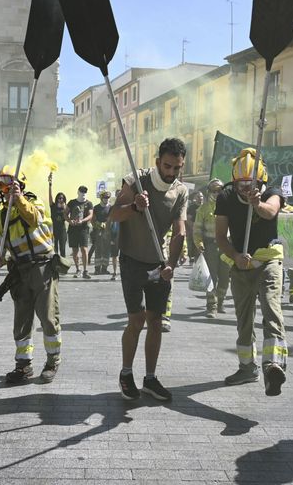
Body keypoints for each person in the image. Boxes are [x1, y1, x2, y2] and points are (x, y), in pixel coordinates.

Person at [110, 137, 188, 402]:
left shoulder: (181, 191)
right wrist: (134, 206)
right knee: (137, 320)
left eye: (177, 168)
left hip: (158, 263)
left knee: (155, 322)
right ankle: (126, 373)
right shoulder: (136, 181)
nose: (171, 173)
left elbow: (180, 232)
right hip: (131, 261)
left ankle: (150, 379)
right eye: (167, 166)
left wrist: (171, 265)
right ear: (157, 162)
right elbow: (114, 214)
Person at [215, 148, 288, 396]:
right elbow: (220, 237)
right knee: (243, 319)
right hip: (242, 265)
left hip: (269, 261)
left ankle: (273, 365)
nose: (246, 189)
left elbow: (271, 211)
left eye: (251, 183)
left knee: (271, 307)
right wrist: (235, 256)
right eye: (241, 184)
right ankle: (247, 368)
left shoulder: (272, 192)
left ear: (262, 180)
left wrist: (257, 203)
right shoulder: (225, 196)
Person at [0, 166, 63, 384]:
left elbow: (32, 219)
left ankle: (52, 361)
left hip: (42, 268)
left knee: (48, 318)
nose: (4, 189)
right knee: (21, 321)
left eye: (9, 184)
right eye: (1, 185)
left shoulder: (35, 202)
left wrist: (19, 199)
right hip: (19, 271)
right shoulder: (0, 217)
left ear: (20, 185)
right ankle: (23, 365)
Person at [193, 178, 230, 318]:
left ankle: (221, 301)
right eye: (214, 190)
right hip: (211, 247)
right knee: (211, 277)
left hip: (227, 247)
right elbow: (197, 230)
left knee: (225, 277)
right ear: (209, 192)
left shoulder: (229, 206)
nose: (217, 193)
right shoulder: (203, 209)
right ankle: (211, 306)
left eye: (220, 190)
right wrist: (199, 244)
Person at [66, 185, 93, 278]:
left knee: (84, 249)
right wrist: (70, 221)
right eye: (81, 191)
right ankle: (78, 269)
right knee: (75, 251)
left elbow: (90, 215)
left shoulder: (89, 203)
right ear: (78, 192)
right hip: (73, 229)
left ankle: (85, 270)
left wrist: (83, 220)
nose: (83, 193)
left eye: (85, 192)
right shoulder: (72, 202)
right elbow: (65, 214)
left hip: (84, 229)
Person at [91, 190, 114, 276]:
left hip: (108, 232)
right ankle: (97, 268)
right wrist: (97, 224)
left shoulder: (111, 207)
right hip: (98, 232)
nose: (107, 199)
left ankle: (104, 268)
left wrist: (108, 225)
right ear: (101, 198)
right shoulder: (96, 207)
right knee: (98, 250)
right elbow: (92, 219)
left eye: (108, 198)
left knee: (106, 250)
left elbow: (112, 218)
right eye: (105, 198)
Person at [186, 190, 204, 264]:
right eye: (198, 196)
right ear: (195, 198)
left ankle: (199, 260)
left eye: (201, 196)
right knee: (192, 245)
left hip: (203, 230)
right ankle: (191, 257)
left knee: (201, 247)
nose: (200, 198)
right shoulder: (192, 207)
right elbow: (188, 219)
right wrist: (193, 228)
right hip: (193, 229)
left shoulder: (205, 207)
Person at [50, 191, 68, 256]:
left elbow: (68, 218)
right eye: (59, 198)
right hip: (54, 230)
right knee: (55, 249)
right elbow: (50, 197)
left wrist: (65, 208)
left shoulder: (65, 207)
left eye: (62, 198)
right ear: (57, 199)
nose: (61, 200)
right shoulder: (53, 206)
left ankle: (63, 264)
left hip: (62, 230)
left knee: (62, 249)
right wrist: (50, 186)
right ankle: (55, 264)